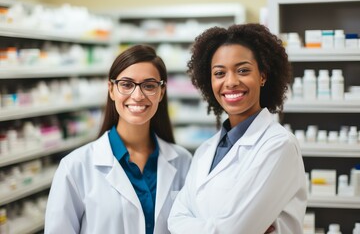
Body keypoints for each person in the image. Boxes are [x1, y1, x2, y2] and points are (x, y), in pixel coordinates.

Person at [168, 23, 307, 233]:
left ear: (262, 75)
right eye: (219, 73)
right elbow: (175, 218)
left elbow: (234, 231)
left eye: (242, 70)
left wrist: (198, 224)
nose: (231, 82)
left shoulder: (279, 146)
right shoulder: (205, 151)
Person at [44, 44, 192, 234]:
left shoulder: (183, 161)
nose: (137, 96)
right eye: (126, 84)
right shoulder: (75, 166)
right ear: (111, 90)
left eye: (149, 85)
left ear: (161, 92)